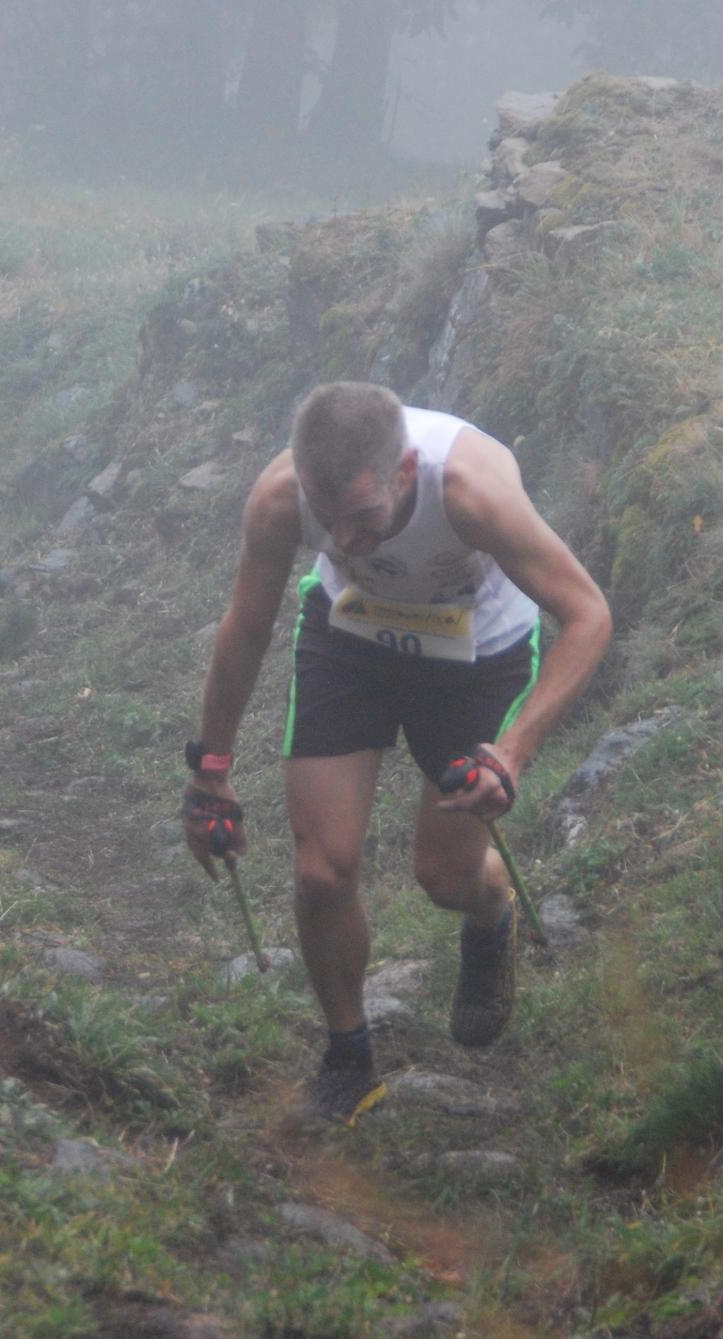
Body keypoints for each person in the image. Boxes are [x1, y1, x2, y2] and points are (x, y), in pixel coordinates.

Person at [181, 382, 611, 1126]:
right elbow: (246, 625)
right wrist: (210, 772)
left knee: (444, 876)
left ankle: (491, 905)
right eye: (328, 520)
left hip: (477, 654)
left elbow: (588, 615)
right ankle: (349, 1060)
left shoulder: (471, 490)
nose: (345, 541)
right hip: (351, 642)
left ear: (405, 471)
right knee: (321, 871)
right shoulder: (281, 497)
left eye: (363, 517)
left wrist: (510, 755)